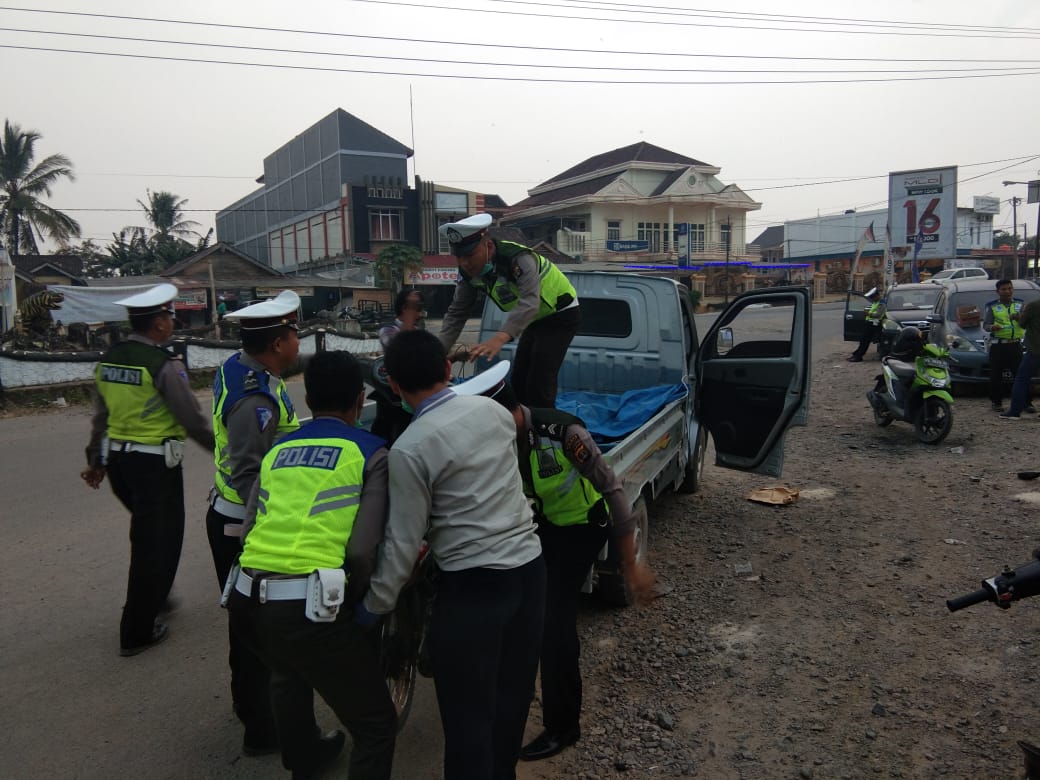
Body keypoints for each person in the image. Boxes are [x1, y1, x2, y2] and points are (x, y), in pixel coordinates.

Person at [362, 329, 545, 780]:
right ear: (448, 370)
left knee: (467, 722)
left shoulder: (411, 447)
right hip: (529, 572)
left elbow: (404, 543)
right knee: (510, 701)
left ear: (396, 387)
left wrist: (375, 605)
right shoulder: (495, 413)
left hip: (473, 589)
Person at [453, 363, 656, 761]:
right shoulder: (500, 439)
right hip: (546, 524)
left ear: (504, 413)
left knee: (554, 623)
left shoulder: (565, 433)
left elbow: (614, 493)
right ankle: (519, 684)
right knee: (515, 603)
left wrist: (630, 563)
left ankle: (563, 727)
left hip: (584, 527)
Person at [227, 350, 398, 780]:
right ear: (360, 400)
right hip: (309, 607)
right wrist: (357, 604)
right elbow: (361, 551)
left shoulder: (278, 449)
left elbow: (249, 531)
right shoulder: (372, 453)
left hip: (247, 599)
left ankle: (305, 761)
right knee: (375, 725)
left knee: (287, 671)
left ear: (307, 401)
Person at [80, 283, 214, 656]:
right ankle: (137, 631)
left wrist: (96, 460)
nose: (172, 323)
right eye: (170, 317)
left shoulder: (109, 360)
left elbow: (102, 417)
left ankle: (157, 596)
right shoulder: (162, 364)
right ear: (158, 323)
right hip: (154, 465)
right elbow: (191, 418)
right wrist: (223, 453)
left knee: (151, 537)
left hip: (122, 465)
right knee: (156, 544)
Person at [207, 290, 302, 756]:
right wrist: (268, 529)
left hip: (230, 515)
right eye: (295, 333)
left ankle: (251, 708)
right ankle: (261, 728)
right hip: (240, 523)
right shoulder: (254, 399)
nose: (298, 341)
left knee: (248, 624)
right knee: (255, 629)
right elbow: (248, 472)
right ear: (280, 341)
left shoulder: (242, 369)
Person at [437, 212, 580, 408]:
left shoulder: (518, 258)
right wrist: (436, 354)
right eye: (458, 257)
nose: (464, 263)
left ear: (488, 246)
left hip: (561, 314)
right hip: (534, 319)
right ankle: (521, 422)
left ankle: (543, 430)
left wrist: (500, 337)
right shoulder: (468, 274)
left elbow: (530, 301)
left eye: (469, 255)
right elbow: (457, 313)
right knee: (519, 378)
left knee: (540, 378)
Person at [371, 288, 425, 443]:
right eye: (417, 307)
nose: (420, 313)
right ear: (404, 308)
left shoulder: (418, 330)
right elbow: (401, 349)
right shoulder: (387, 329)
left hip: (416, 392)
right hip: (396, 393)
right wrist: (409, 318)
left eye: (420, 308)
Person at [983, 279, 1032, 413]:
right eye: (1004, 289)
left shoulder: (1020, 304)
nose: (1007, 291)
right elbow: (986, 325)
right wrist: (992, 327)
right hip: (998, 345)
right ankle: (996, 402)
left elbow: (1026, 322)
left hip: (1016, 345)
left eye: (1009, 288)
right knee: (996, 376)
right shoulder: (992, 306)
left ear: (1013, 290)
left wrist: (1019, 318)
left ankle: (1027, 403)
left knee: (1021, 375)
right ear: (998, 291)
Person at [999, 296, 1040, 420]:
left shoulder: (1033, 305)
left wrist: (1016, 316)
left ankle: (1015, 411)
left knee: (1021, 379)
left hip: (1035, 349)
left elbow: (1022, 324)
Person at [847, 287, 885, 362]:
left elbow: (878, 315)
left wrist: (869, 313)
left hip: (875, 325)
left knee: (865, 341)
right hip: (870, 324)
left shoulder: (881, 304)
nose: (872, 299)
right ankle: (856, 354)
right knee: (863, 340)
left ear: (877, 296)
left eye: (873, 297)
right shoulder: (875, 303)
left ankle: (858, 356)